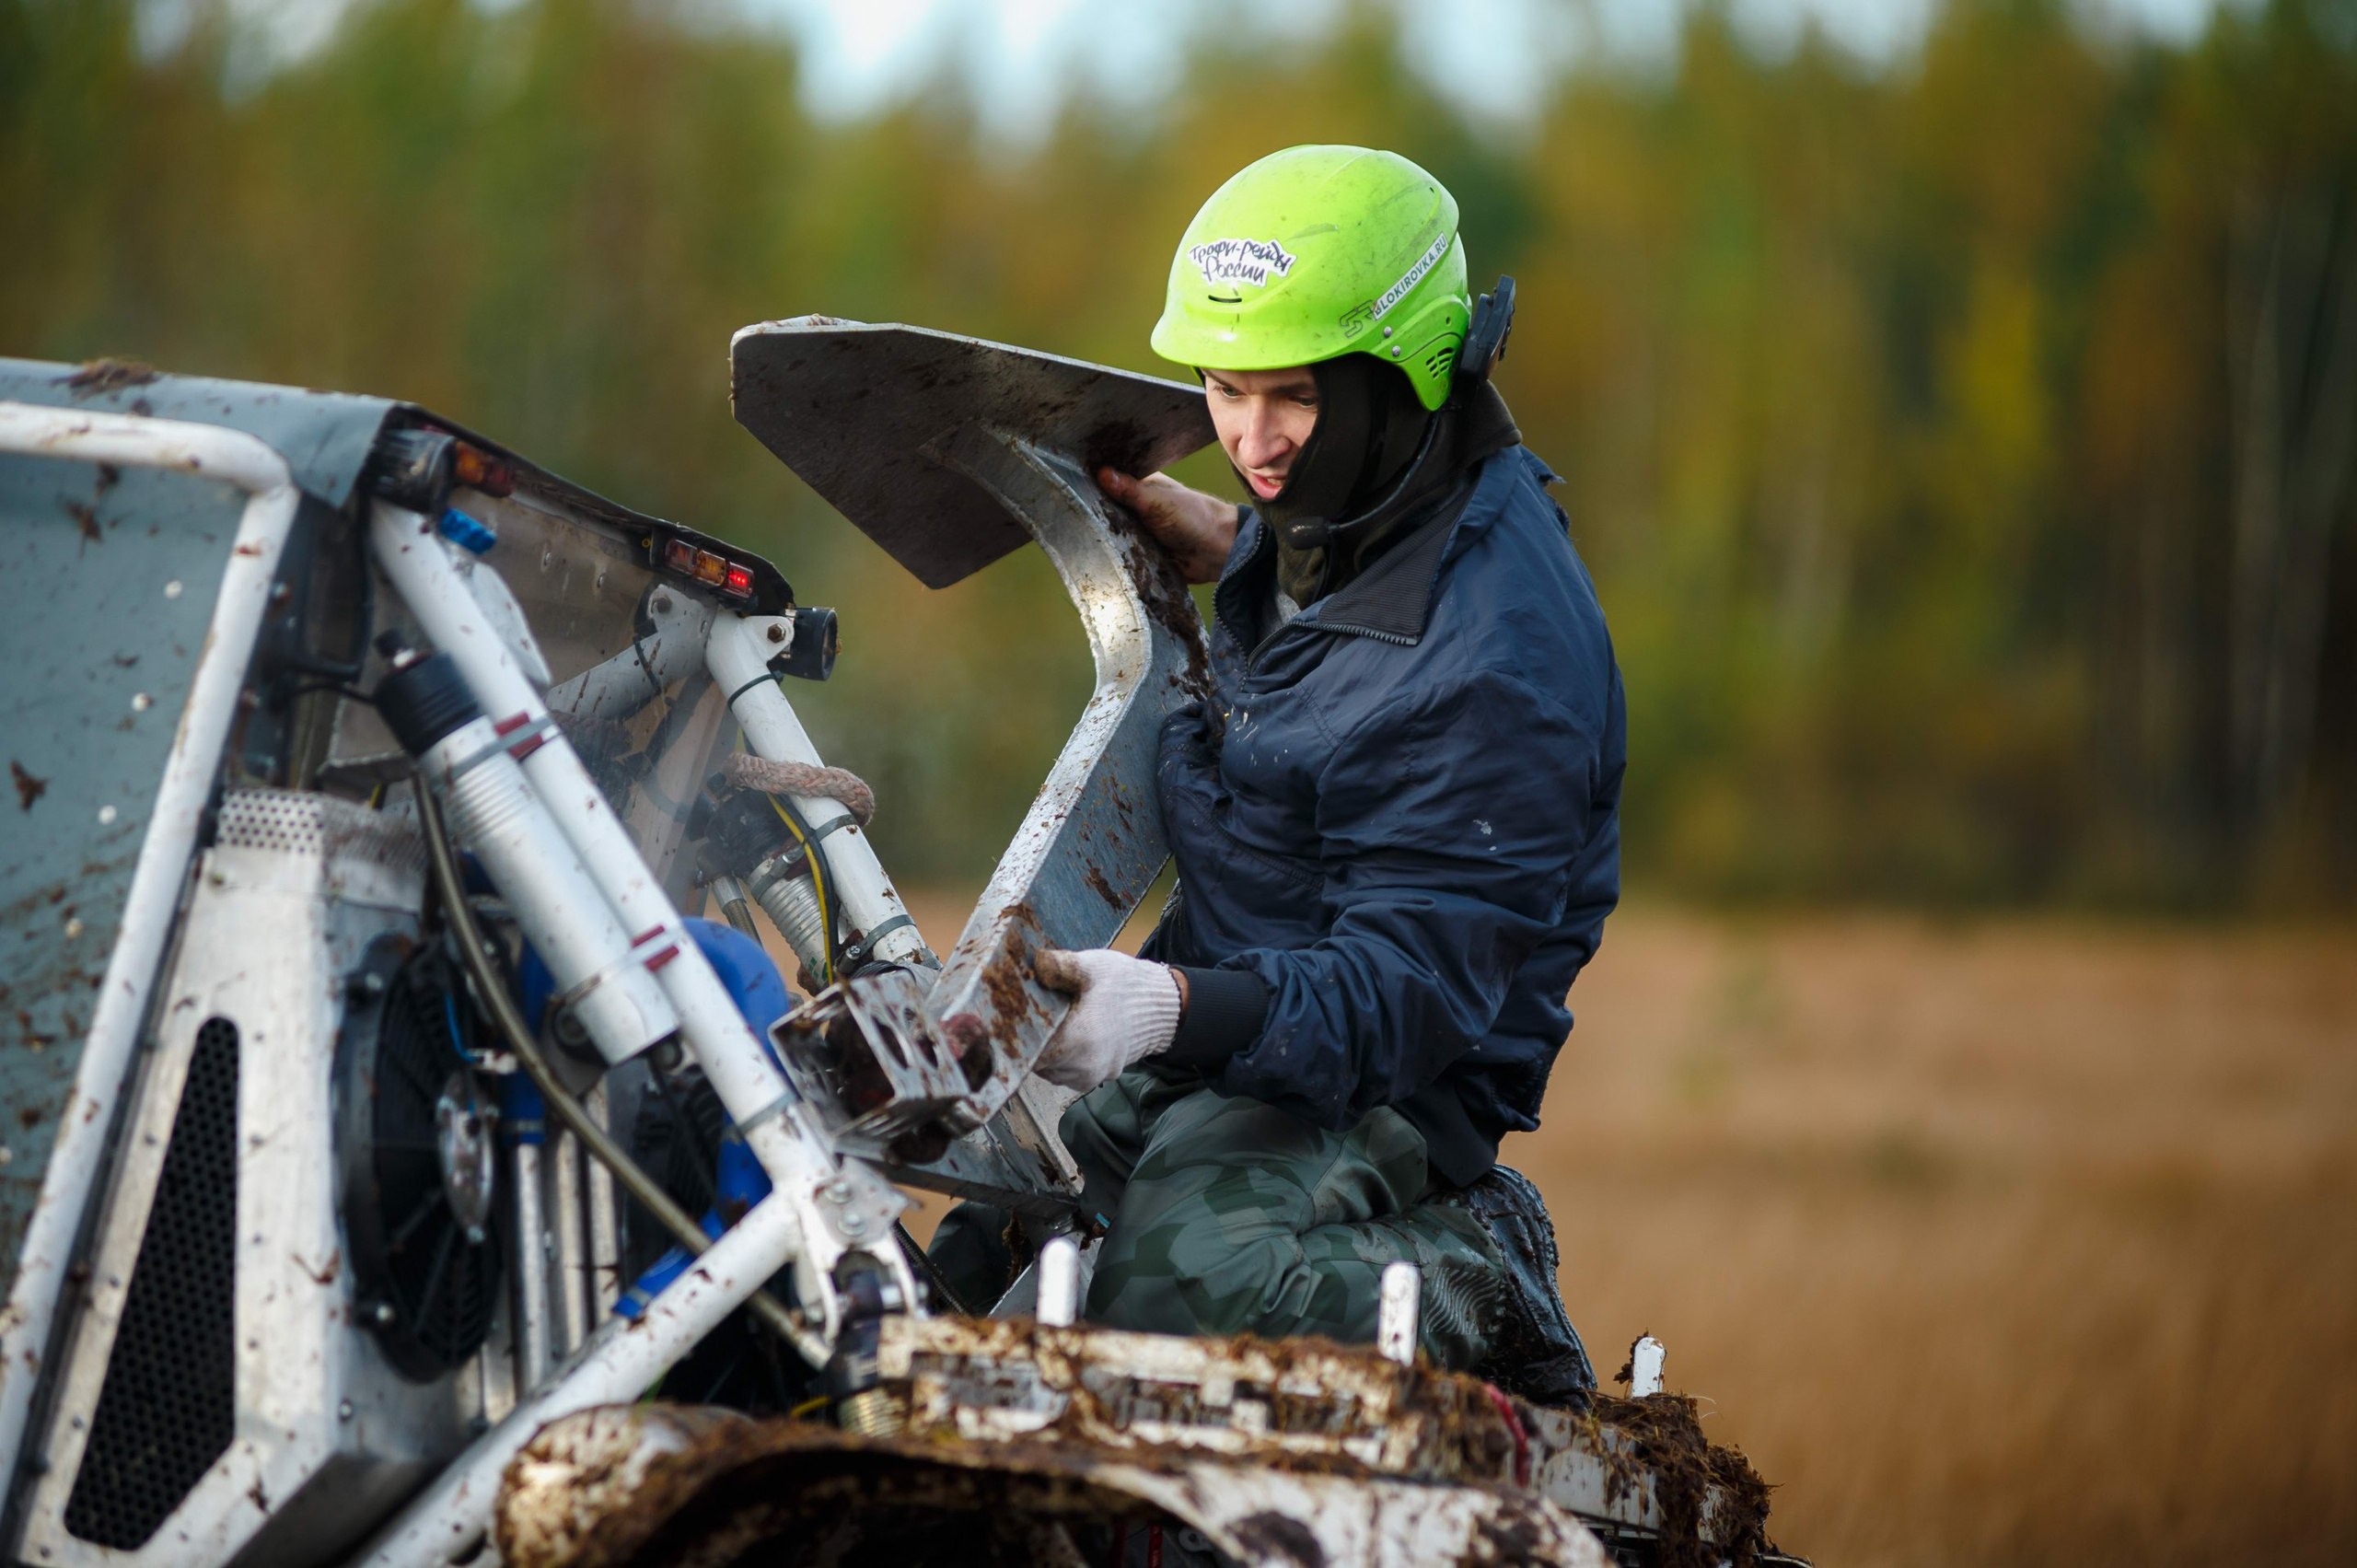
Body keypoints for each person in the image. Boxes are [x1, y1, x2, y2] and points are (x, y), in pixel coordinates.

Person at [929, 145, 1623, 1405]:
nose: (1250, 437)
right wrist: (1245, 541)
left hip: (1398, 1076)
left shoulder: (1503, 665)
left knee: (1183, 1280)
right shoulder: (1372, 506)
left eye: (1292, 396)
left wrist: (1163, 1009)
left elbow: (1403, 999)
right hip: (1254, 1007)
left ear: (1401, 375)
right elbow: (1353, 667)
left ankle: (1482, 1269)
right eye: (1226, 387)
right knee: (992, 1242)